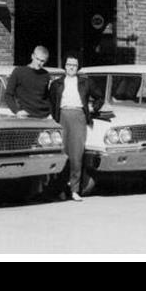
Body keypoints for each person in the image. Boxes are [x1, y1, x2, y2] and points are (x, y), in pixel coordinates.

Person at [49, 55, 99, 201]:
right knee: (62, 153)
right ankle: (59, 189)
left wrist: (92, 108)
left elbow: (99, 97)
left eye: (74, 65)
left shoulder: (85, 83)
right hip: (62, 116)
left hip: (79, 116)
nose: (71, 67)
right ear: (64, 66)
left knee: (77, 154)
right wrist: (55, 118)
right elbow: (51, 102)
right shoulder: (57, 84)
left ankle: (75, 190)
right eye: (69, 64)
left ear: (78, 68)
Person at [4, 45, 53, 118]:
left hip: (44, 117)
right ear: (32, 56)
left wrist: (51, 113)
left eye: (42, 61)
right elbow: (8, 94)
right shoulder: (19, 72)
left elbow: (48, 97)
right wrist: (17, 111)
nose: (39, 63)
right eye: (37, 59)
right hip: (26, 117)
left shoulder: (46, 75)